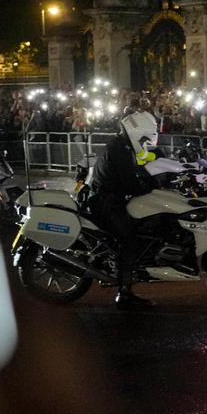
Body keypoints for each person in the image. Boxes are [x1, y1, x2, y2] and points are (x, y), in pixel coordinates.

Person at [87, 111, 162, 308]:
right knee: (129, 239)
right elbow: (129, 182)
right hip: (106, 202)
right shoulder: (119, 149)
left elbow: (139, 165)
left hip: (106, 198)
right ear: (137, 133)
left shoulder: (121, 145)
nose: (148, 140)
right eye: (146, 136)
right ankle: (124, 292)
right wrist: (153, 187)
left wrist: (159, 166)